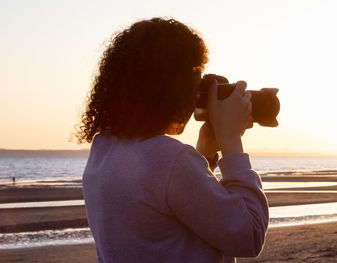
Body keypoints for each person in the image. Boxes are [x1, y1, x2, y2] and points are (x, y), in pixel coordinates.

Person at [76, 18, 269, 262]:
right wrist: (231, 142)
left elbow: (173, 209)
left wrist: (205, 154)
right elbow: (248, 236)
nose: (195, 92)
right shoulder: (169, 159)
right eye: (194, 78)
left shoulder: (104, 149)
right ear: (169, 85)